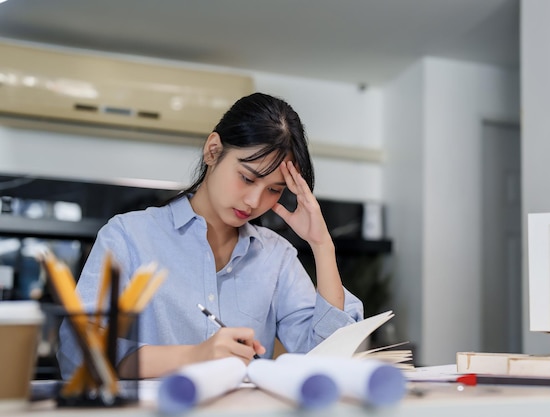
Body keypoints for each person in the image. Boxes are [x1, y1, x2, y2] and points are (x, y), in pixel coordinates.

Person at [57, 92, 364, 379]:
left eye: (274, 190)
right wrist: (194, 355)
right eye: (247, 178)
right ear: (213, 151)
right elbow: (78, 352)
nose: (254, 201)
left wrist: (322, 246)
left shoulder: (277, 257)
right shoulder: (128, 236)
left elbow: (326, 359)